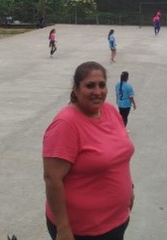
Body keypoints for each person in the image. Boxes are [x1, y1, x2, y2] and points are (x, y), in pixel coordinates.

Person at [43, 61, 135, 240]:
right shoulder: (66, 124)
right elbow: (52, 179)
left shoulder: (110, 111)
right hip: (83, 230)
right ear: (76, 89)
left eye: (102, 85)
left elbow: (121, 155)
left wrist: (129, 188)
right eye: (90, 86)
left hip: (117, 220)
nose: (98, 92)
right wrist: (63, 228)